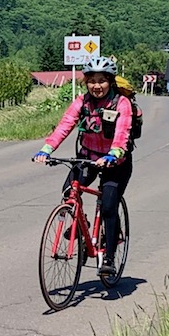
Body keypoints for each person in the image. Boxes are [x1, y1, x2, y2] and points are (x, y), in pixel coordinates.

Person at [33, 55, 133, 281]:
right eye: (91, 81)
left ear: (110, 81)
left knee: (108, 206)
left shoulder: (121, 103)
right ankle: (81, 223)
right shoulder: (82, 102)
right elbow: (65, 125)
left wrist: (113, 154)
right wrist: (46, 149)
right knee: (69, 191)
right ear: (86, 82)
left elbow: (122, 133)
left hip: (115, 162)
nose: (96, 86)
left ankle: (108, 258)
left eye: (102, 81)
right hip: (87, 157)